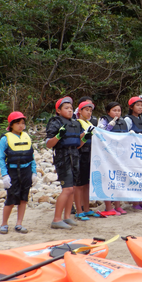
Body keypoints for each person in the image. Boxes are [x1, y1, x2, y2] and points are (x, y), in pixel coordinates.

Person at [46, 96, 88, 229]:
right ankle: (56, 219)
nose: (70, 110)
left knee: (72, 188)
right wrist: (58, 135)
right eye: (66, 108)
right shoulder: (55, 122)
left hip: (74, 156)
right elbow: (48, 144)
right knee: (67, 188)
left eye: (71, 108)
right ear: (58, 110)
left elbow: (78, 145)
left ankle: (67, 216)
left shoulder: (76, 123)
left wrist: (85, 138)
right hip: (62, 157)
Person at [0, 112, 37, 234]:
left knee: (24, 198)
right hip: (13, 171)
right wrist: (5, 175)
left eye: (23, 123)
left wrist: (34, 172)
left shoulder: (26, 137)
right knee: (11, 198)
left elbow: (31, 157)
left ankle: (19, 224)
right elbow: (1, 158)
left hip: (26, 170)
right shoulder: (5, 139)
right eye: (18, 123)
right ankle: (4, 224)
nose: (21, 126)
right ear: (11, 125)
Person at [98, 102, 128, 215]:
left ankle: (118, 205)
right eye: (114, 110)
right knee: (108, 179)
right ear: (108, 112)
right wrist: (109, 127)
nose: (117, 113)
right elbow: (100, 134)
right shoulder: (104, 120)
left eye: (119, 110)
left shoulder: (123, 121)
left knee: (118, 180)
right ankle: (108, 206)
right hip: (107, 154)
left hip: (120, 154)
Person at [125, 97, 142, 210]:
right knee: (135, 176)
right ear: (131, 107)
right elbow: (125, 134)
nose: (140, 107)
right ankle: (135, 202)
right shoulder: (128, 119)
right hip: (133, 151)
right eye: (137, 105)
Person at [74, 100, 100, 221]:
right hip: (81, 154)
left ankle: (86, 208)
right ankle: (79, 210)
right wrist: (85, 134)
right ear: (80, 111)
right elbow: (77, 141)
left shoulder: (90, 123)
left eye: (90, 110)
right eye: (86, 110)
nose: (89, 112)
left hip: (90, 154)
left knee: (87, 183)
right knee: (79, 184)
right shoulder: (77, 123)